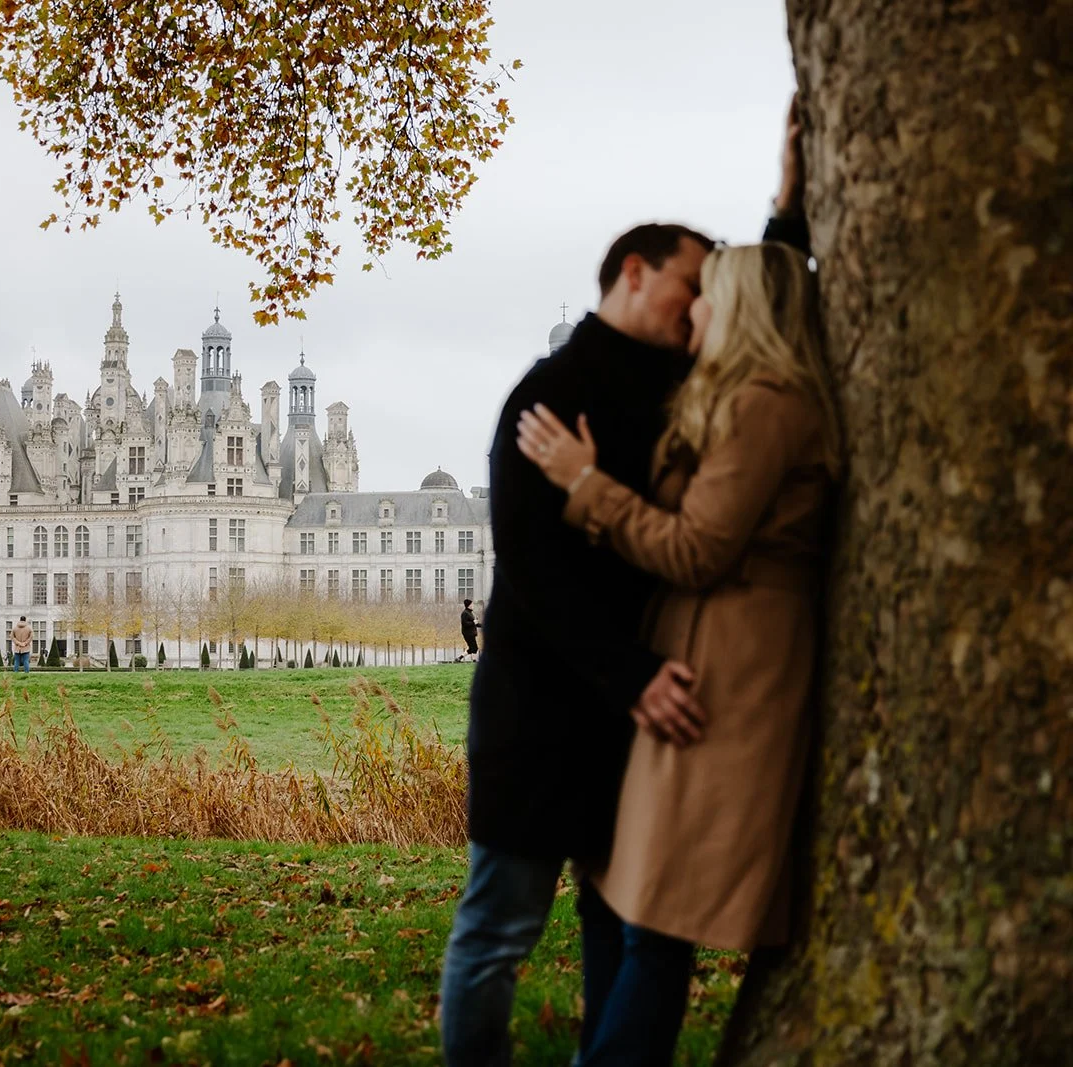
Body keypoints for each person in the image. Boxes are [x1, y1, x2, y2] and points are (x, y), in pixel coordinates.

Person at [439, 102, 811, 1067]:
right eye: (688, 288)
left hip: (630, 718)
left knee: (626, 923)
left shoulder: (688, 386)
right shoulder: (546, 398)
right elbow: (537, 573)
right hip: (544, 712)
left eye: (706, 300)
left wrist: (788, 207)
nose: (699, 311)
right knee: (499, 933)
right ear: (633, 274)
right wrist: (632, 673)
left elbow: (761, 304)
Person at [517, 241, 840, 1065]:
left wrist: (585, 482)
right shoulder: (736, 395)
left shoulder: (768, 404)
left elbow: (700, 547)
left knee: (661, 918)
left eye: (705, 294)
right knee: (630, 899)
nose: (689, 306)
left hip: (725, 671)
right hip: (697, 651)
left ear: (735, 311)